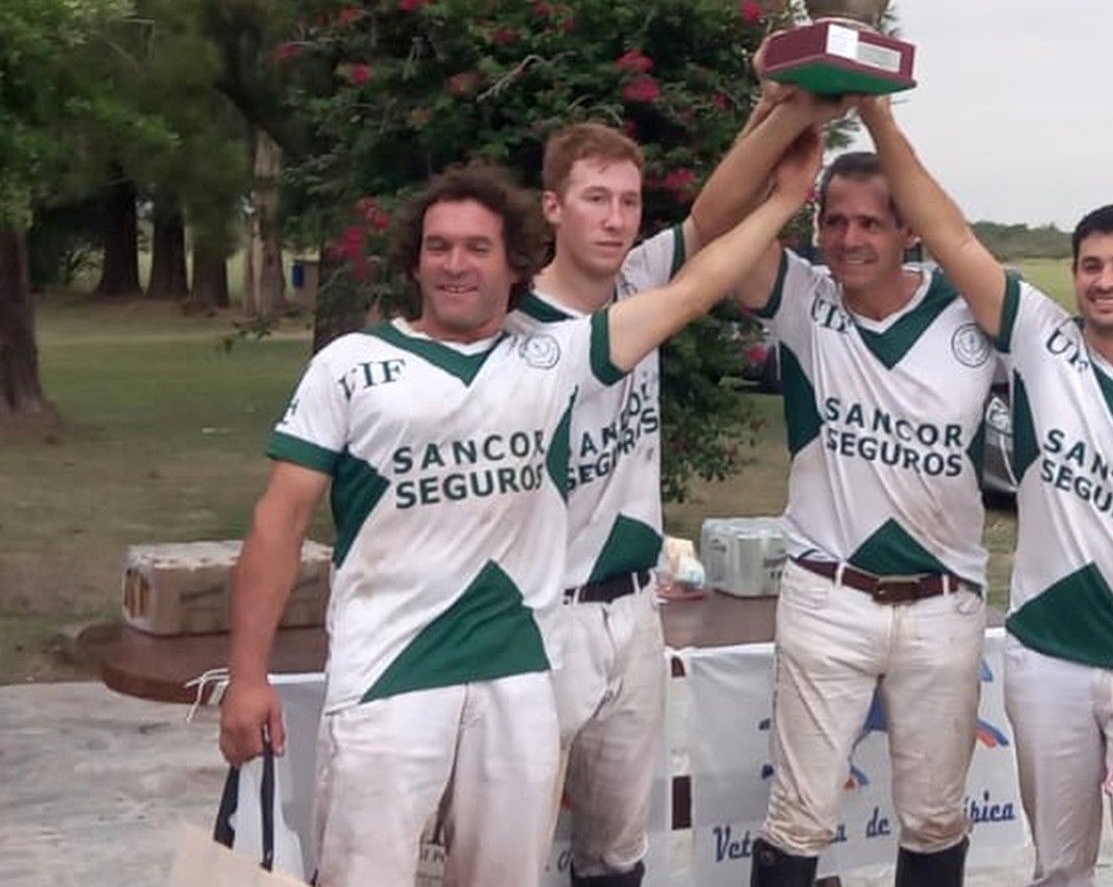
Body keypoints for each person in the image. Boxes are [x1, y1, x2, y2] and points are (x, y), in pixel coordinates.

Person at [218, 139, 824, 887]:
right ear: (414, 261)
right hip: (387, 680)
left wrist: (783, 200)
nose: (455, 263)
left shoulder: (557, 356)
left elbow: (692, 289)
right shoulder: (348, 366)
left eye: (477, 247)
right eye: (438, 246)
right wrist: (248, 674)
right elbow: (277, 524)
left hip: (516, 675)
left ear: (513, 264)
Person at [853, 95, 1113, 886]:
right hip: (1045, 654)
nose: (1104, 282)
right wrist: (878, 119)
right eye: (1089, 266)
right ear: (1072, 273)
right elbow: (950, 237)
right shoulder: (1039, 341)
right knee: (1059, 867)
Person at [512, 91, 843, 887]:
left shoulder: (636, 279)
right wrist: (786, 190)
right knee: (510, 848)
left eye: (629, 201)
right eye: (595, 199)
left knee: (618, 849)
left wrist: (780, 114)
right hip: (541, 612)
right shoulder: (515, 323)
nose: (616, 218)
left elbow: (710, 220)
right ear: (553, 207)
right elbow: (713, 257)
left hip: (632, 607)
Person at [732, 147, 999, 887]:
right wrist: (785, 167)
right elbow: (722, 236)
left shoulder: (967, 310)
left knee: (935, 817)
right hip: (828, 593)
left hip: (941, 600)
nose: (849, 239)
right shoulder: (803, 298)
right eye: (835, 220)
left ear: (908, 229)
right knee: (797, 816)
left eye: (871, 222)